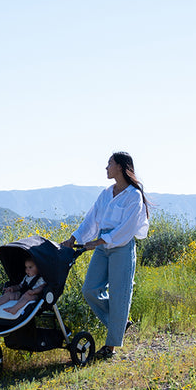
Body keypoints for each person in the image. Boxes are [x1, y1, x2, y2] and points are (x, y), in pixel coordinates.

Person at [63, 151, 149, 356]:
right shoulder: (106, 193)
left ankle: (110, 347)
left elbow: (126, 228)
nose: (106, 167)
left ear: (120, 167)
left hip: (121, 247)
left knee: (120, 294)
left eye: (109, 163)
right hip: (102, 246)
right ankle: (120, 323)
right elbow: (91, 218)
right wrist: (73, 239)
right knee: (90, 289)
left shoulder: (134, 196)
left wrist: (99, 242)